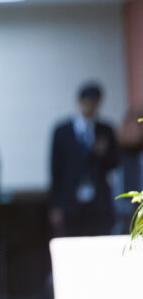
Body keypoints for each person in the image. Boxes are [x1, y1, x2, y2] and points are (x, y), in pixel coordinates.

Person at [49, 82, 118, 237]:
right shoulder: (62, 131)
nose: (90, 106)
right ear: (79, 101)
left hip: (99, 203)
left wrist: (102, 153)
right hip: (71, 202)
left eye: (94, 102)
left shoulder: (106, 130)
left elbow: (114, 163)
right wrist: (55, 205)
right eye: (87, 101)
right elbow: (55, 169)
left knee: (100, 240)